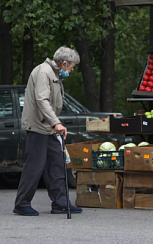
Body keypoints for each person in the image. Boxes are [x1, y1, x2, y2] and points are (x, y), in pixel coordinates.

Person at [13, 46, 82, 216]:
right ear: (64, 64)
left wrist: (53, 124)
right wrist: (56, 123)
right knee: (34, 166)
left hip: (47, 127)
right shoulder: (44, 72)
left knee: (57, 163)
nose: (71, 71)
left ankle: (60, 203)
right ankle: (22, 203)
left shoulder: (54, 73)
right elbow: (41, 100)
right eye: (71, 67)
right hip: (38, 126)